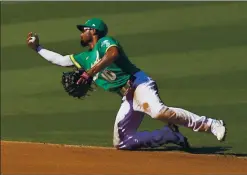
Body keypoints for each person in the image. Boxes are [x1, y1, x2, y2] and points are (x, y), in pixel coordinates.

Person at [26, 18, 227, 150]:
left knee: (157, 112)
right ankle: (170, 135)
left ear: (93, 31)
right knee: (122, 143)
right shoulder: (85, 58)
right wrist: (37, 48)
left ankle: (210, 124)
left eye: (83, 30)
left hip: (139, 84)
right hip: (128, 96)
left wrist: (91, 73)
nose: (81, 33)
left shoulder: (105, 42)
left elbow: (113, 54)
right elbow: (61, 60)